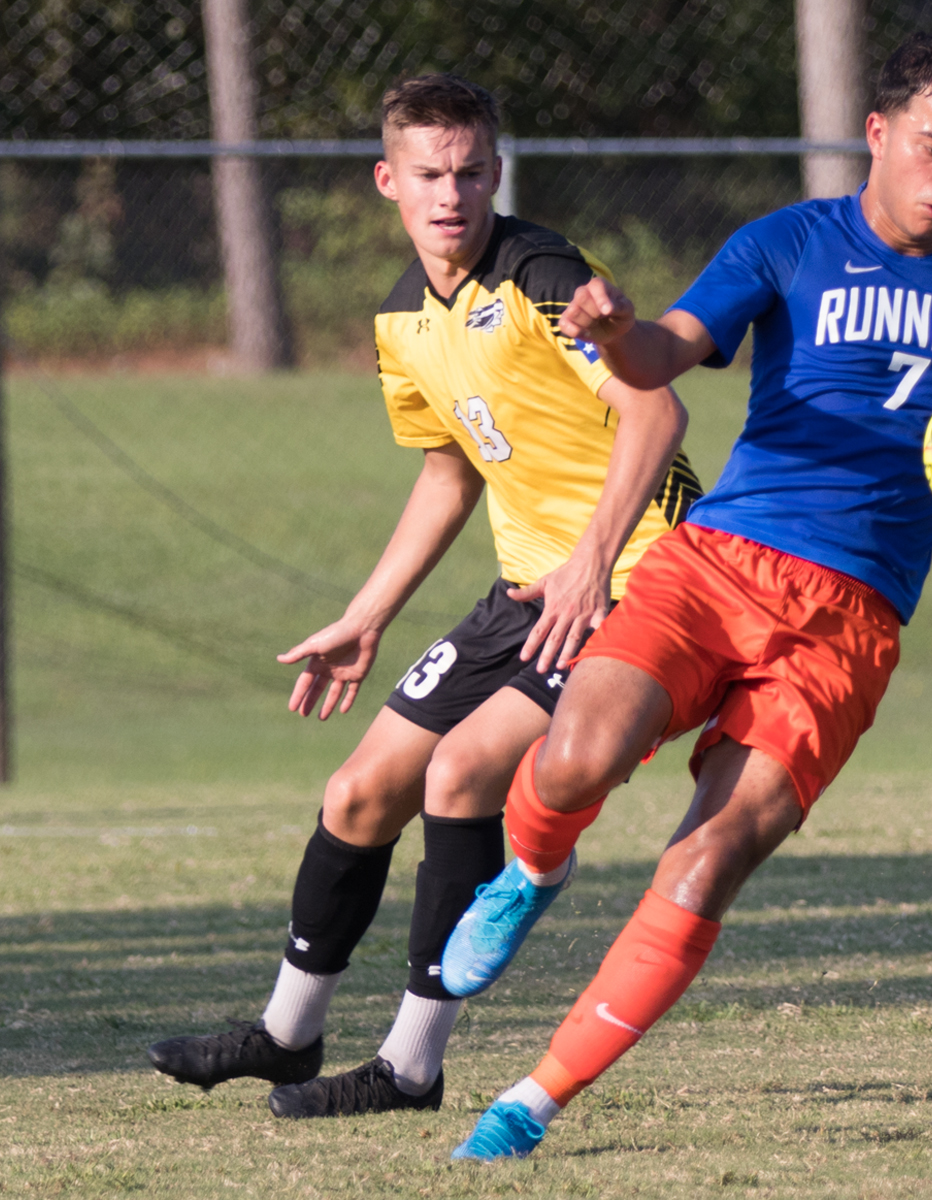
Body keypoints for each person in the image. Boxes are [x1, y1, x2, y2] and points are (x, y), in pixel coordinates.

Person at [441, 34, 932, 1160]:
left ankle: (532, 1102)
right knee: (571, 761)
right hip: (719, 565)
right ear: (880, 134)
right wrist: (611, 335)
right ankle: (533, 869)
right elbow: (663, 356)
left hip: (852, 623)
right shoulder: (789, 242)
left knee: (707, 863)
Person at [145, 73, 699, 1120]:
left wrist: (591, 558)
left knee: (461, 773)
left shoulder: (542, 275)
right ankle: (288, 1034)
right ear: (387, 181)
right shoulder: (404, 318)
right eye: (430, 174)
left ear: (497, 172)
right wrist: (368, 613)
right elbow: (450, 473)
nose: (452, 193)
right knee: (359, 791)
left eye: (472, 172)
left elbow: (656, 416)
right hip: (524, 590)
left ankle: (410, 1065)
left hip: (637, 580)